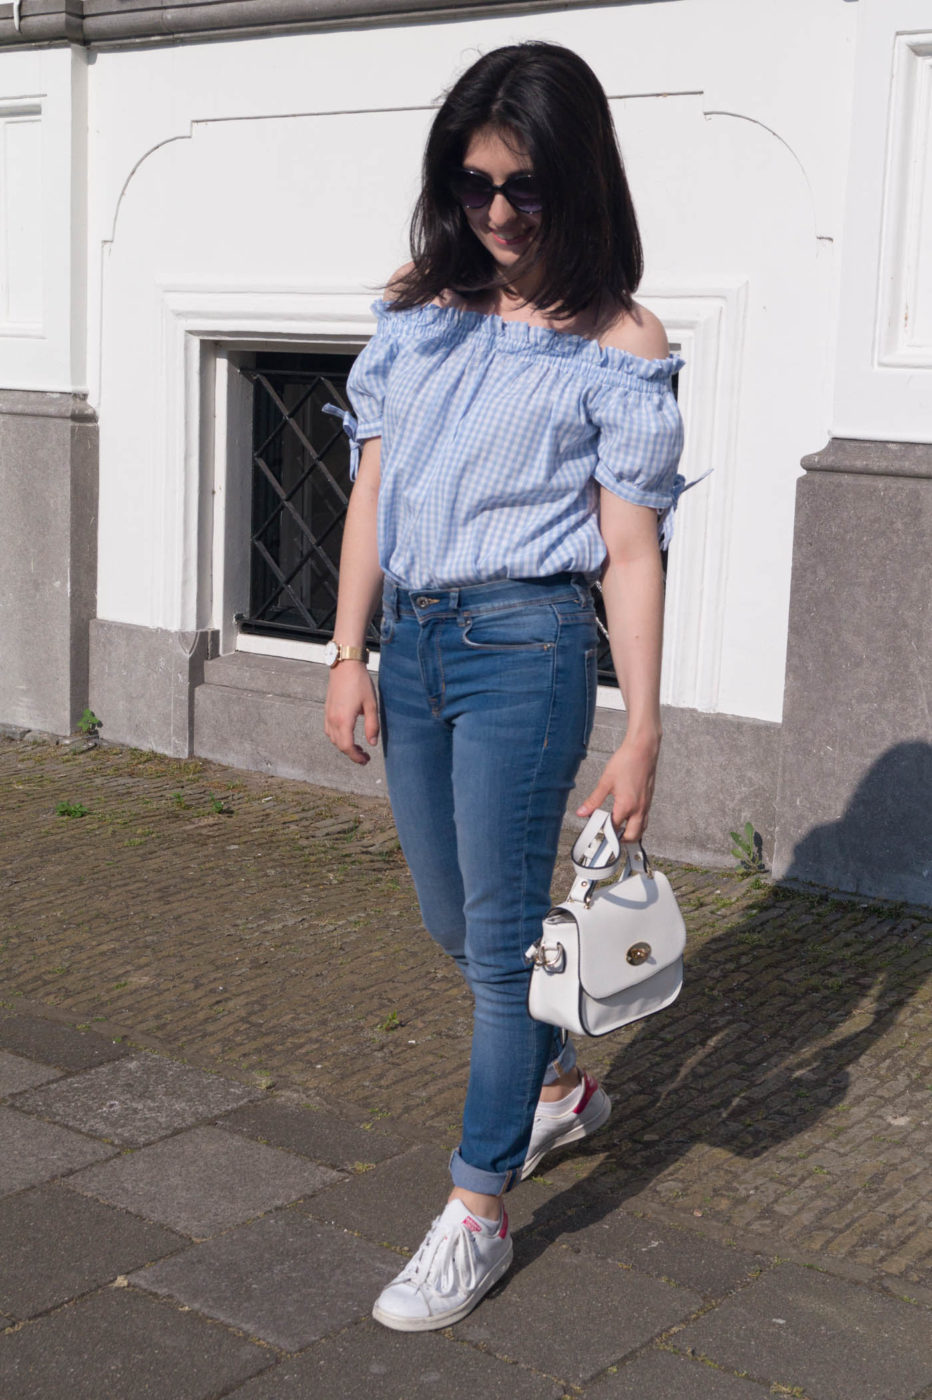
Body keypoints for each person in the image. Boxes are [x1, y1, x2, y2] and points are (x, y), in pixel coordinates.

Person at [323, 40, 685, 1332]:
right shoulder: (418, 309)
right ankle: (559, 1089)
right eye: (475, 185)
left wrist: (641, 731)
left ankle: (477, 1209)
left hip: (528, 651)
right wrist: (347, 649)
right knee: (455, 924)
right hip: (414, 647)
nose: (497, 214)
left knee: (494, 955)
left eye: (523, 187)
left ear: (577, 181)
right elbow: (373, 484)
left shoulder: (617, 343)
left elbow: (632, 550)